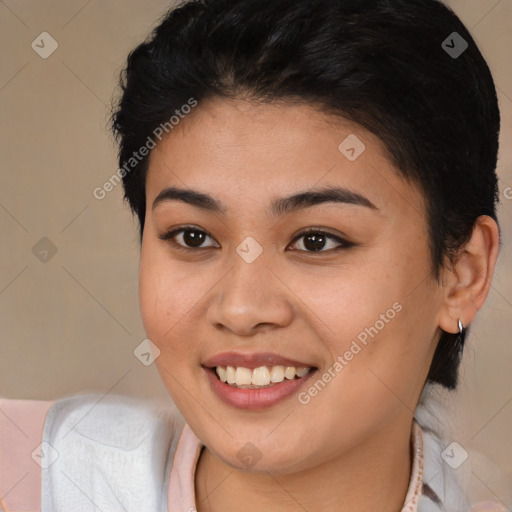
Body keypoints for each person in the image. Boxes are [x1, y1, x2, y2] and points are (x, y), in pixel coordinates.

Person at [0, 0, 506, 510]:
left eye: (316, 240)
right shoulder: (28, 476)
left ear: (463, 274)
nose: (241, 310)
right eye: (194, 237)